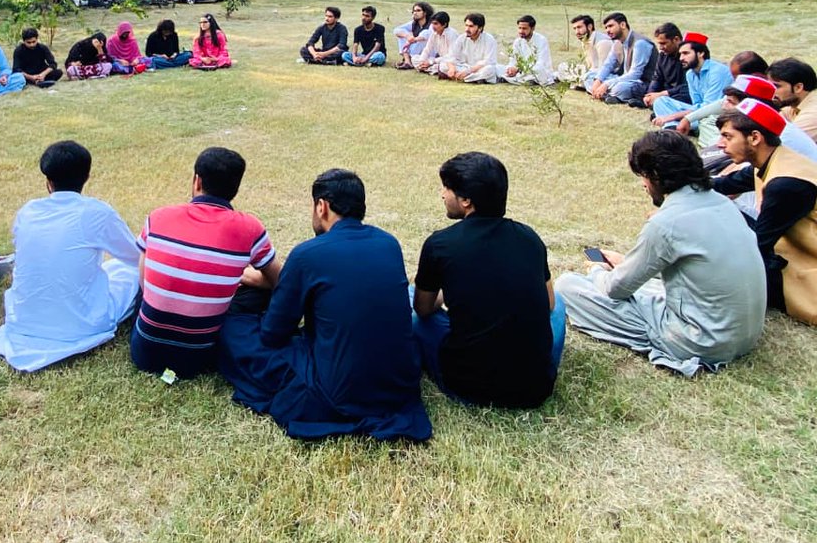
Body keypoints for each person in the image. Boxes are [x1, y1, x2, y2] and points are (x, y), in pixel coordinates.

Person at [217, 169, 431, 442]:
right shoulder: (389, 243)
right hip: (397, 386)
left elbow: (273, 333)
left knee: (235, 330)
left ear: (322, 206)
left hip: (337, 391)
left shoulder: (308, 254)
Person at [555, 130, 765, 375]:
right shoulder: (724, 204)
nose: (643, 185)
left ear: (655, 175)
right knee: (648, 288)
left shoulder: (666, 222)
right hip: (745, 334)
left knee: (567, 285)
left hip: (700, 341)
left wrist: (598, 271)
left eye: (643, 176)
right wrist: (626, 263)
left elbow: (616, 289)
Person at [413, 152, 565, 408]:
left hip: (467, 385)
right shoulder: (530, 238)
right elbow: (549, 303)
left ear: (466, 201)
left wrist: (448, 294)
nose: (442, 194)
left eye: (447, 188)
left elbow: (423, 308)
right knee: (559, 301)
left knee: (411, 301)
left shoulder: (440, 244)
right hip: (535, 386)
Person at [0, 141, 141, 371]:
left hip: (24, 321)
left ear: (48, 182)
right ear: (87, 176)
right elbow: (135, 257)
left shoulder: (28, 211)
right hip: (81, 325)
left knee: (111, 270)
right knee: (130, 272)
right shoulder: (97, 212)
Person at [130, 147, 280, 378]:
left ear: (197, 181)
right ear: (236, 188)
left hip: (144, 352)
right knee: (262, 294)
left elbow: (143, 282)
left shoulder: (158, 217)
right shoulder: (250, 228)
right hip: (200, 357)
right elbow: (279, 281)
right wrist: (240, 276)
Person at [715, 101, 817, 325]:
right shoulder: (773, 160)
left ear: (754, 137)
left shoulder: (786, 184)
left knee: (716, 218)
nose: (719, 144)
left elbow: (757, 247)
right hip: (793, 254)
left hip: (807, 275)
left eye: (727, 137)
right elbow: (721, 185)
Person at [651, 33, 732, 130]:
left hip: (717, 114)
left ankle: (673, 124)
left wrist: (670, 117)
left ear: (700, 53)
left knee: (707, 119)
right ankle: (674, 125)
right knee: (660, 101)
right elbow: (696, 104)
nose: (681, 58)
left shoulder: (717, 72)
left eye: (686, 53)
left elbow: (709, 108)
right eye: (680, 54)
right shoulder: (690, 74)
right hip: (699, 113)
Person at [586, 12, 657, 105]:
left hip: (641, 82)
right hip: (624, 78)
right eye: (606, 28)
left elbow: (635, 74)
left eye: (611, 26)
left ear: (623, 25)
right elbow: (608, 65)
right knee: (589, 77)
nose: (607, 30)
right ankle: (609, 95)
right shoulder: (617, 43)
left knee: (620, 88)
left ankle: (610, 94)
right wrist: (598, 81)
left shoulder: (640, 43)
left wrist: (606, 84)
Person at [640, 23, 689, 110]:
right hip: (666, 91)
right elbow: (657, 78)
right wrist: (650, 94)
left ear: (676, 39)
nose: (661, 48)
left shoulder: (688, 57)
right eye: (659, 44)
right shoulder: (663, 55)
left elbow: (687, 86)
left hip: (682, 93)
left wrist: (662, 94)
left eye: (663, 43)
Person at [439, 13, 498, 83]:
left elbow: (488, 61)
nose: (467, 29)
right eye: (466, 25)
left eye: (471, 26)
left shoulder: (489, 39)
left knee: (489, 70)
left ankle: (464, 78)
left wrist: (468, 72)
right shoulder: (462, 38)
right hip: (464, 67)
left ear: (480, 28)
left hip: (479, 69)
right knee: (443, 65)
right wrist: (452, 68)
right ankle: (471, 79)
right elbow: (451, 56)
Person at [770, 58, 817, 144]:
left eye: (776, 86)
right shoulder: (794, 107)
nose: (771, 91)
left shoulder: (813, 113)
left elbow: (781, 145)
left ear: (798, 87)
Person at [563, 13, 614, 87]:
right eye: (575, 28)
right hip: (591, 73)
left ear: (590, 27)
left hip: (605, 77)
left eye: (579, 27)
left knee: (587, 78)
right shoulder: (585, 40)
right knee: (564, 68)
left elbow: (605, 70)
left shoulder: (603, 42)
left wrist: (586, 75)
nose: (577, 32)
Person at [502, 14, 553, 85]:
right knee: (501, 69)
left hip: (538, 71)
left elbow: (541, 63)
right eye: (519, 28)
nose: (521, 31)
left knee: (538, 70)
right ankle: (525, 78)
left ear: (532, 28)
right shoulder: (518, 41)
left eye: (524, 28)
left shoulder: (541, 40)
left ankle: (527, 79)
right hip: (521, 71)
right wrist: (511, 69)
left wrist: (519, 69)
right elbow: (513, 60)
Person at [394, 2, 434, 70]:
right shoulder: (414, 23)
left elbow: (427, 34)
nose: (415, 13)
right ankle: (407, 62)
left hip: (429, 51)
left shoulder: (432, 24)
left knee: (423, 36)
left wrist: (413, 40)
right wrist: (407, 36)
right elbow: (396, 30)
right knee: (401, 35)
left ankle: (411, 60)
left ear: (425, 13)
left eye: (418, 11)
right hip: (416, 50)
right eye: (414, 11)